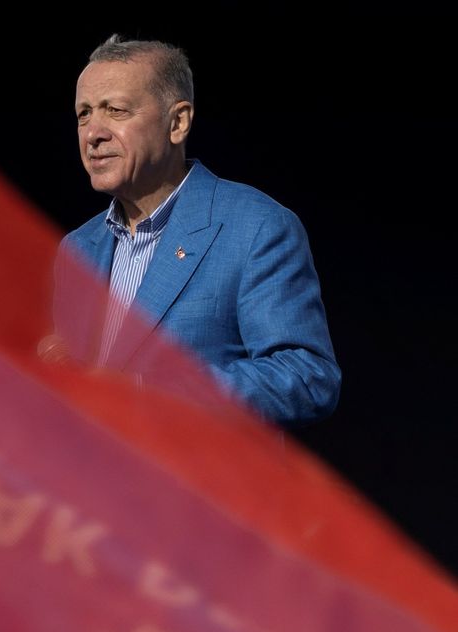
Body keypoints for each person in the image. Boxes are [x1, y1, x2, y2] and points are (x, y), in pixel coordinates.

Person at [50, 34, 340, 427]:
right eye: (83, 114)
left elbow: (307, 378)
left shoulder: (256, 227)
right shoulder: (77, 249)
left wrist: (145, 393)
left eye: (115, 110)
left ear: (178, 122)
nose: (92, 133)